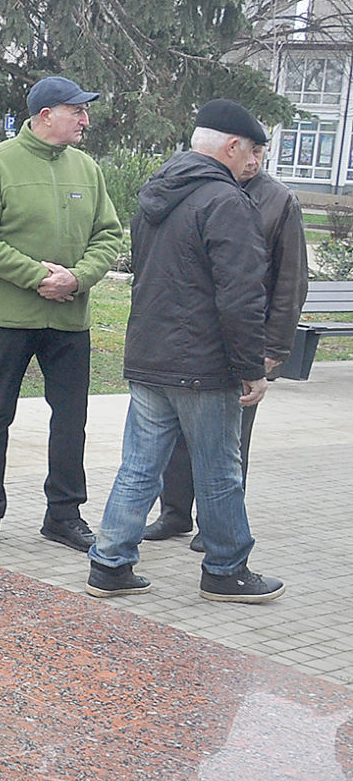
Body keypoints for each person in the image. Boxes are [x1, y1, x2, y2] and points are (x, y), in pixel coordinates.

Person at [85, 100, 283, 604]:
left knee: (138, 466)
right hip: (203, 363)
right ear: (232, 147)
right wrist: (249, 368)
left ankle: (109, 562)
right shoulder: (227, 202)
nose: (254, 163)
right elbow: (240, 295)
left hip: (150, 356)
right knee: (219, 470)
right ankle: (226, 569)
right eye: (253, 151)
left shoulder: (159, 193)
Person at [0, 76, 125, 553]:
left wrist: (77, 278)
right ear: (46, 114)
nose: (85, 120)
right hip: (9, 317)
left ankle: (64, 515)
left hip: (70, 319)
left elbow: (109, 235)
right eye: (78, 111)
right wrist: (38, 277)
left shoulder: (87, 169)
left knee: (71, 419)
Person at [142, 149, 308, 549]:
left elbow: (289, 282)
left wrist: (273, 348)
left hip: (245, 343)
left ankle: (215, 526)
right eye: (248, 150)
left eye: (261, 153)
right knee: (181, 433)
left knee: (230, 442)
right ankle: (175, 513)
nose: (253, 160)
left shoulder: (280, 201)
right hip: (192, 341)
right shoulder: (199, 188)